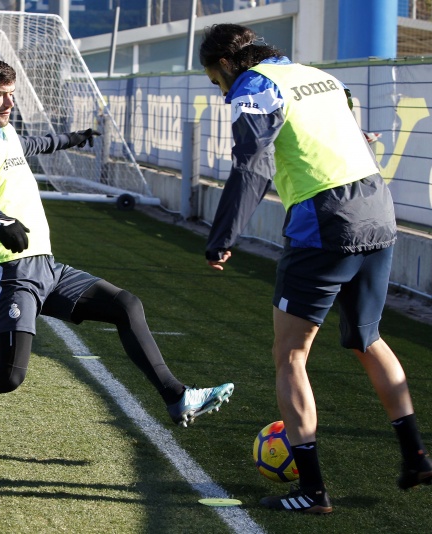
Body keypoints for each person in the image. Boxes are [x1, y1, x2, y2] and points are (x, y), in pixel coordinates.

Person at [0, 56, 234, 450]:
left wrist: (74, 138)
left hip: (46, 267)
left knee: (126, 305)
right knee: (8, 375)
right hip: (9, 268)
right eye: (0, 96)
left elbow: (36, 143)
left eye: (12, 95)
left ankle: (177, 396)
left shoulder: (3, 133)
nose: (9, 104)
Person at [199, 23, 432, 513]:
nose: (218, 88)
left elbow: (251, 166)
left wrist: (222, 238)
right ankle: (416, 458)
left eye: (214, 78)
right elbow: (357, 134)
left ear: (224, 65)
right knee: (367, 339)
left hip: (326, 222)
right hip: (378, 209)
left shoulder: (254, 86)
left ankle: (312, 491)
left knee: (290, 355)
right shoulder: (317, 76)